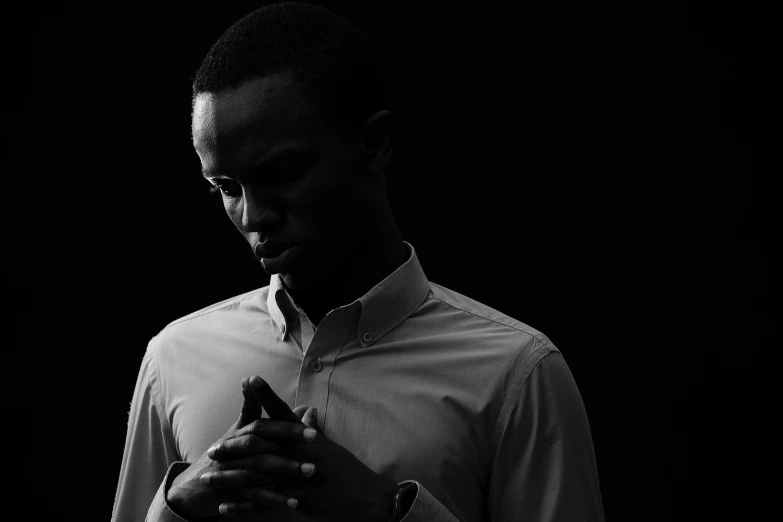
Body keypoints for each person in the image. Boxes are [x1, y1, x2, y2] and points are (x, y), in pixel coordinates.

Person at [111, 2, 605, 521]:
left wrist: (383, 510)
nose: (254, 216)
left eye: (282, 172)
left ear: (374, 144)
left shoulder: (517, 375)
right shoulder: (172, 360)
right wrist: (176, 507)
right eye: (227, 188)